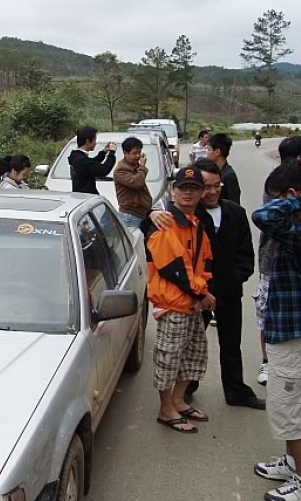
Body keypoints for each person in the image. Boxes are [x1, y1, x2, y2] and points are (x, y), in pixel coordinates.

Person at [151, 159, 263, 409]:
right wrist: (151, 213)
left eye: (216, 186)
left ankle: (236, 392)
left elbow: (246, 255)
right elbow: (156, 227)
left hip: (228, 291)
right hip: (195, 295)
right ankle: (184, 392)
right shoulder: (187, 214)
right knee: (187, 347)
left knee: (231, 344)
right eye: (207, 187)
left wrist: (234, 280)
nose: (211, 192)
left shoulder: (235, 212)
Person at [252, 159, 301, 501]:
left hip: (299, 333)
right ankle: (291, 463)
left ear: (294, 196)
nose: (272, 204)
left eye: (278, 198)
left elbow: (264, 217)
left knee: (292, 411)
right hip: (289, 329)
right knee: (287, 404)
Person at [253, 135, 301, 387]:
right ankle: (268, 363)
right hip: (273, 265)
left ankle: (289, 374)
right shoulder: (280, 184)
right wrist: (299, 200)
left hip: (299, 291)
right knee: (267, 315)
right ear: (299, 158)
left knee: (291, 415)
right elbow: (264, 216)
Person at [146, 165, 215, 434]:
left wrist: (201, 292)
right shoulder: (165, 224)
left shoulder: (196, 223)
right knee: (169, 358)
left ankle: (178, 400)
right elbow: (175, 269)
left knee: (194, 355)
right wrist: (202, 292)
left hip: (192, 304)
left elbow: (205, 261)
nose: (188, 193)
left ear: (201, 194)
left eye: (194, 189)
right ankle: (166, 409)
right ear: (172, 191)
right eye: (183, 188)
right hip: (173, 304)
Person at [113, 136, 152, 229]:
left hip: (141, 214)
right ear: (125, 153)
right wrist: (142, 167)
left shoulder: (135, 166)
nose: (138, 156)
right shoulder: (121, 170)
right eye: (134, 153)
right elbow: (137, 183)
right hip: (130, 216)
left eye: (139, 152)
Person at [68, 126, 117, 194]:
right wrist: (112, 153)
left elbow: (92, 164)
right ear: (88, 141)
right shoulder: (81, 160)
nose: (95, 143)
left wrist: (103, 152)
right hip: (85, 197)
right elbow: (103, 170)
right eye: (94, 140)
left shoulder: (77, 156)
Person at [207, 133, 241, 205]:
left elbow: (234, 204)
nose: (206, 153)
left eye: (208, 149)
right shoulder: (216, 172)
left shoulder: (229, 176)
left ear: (217, 152)